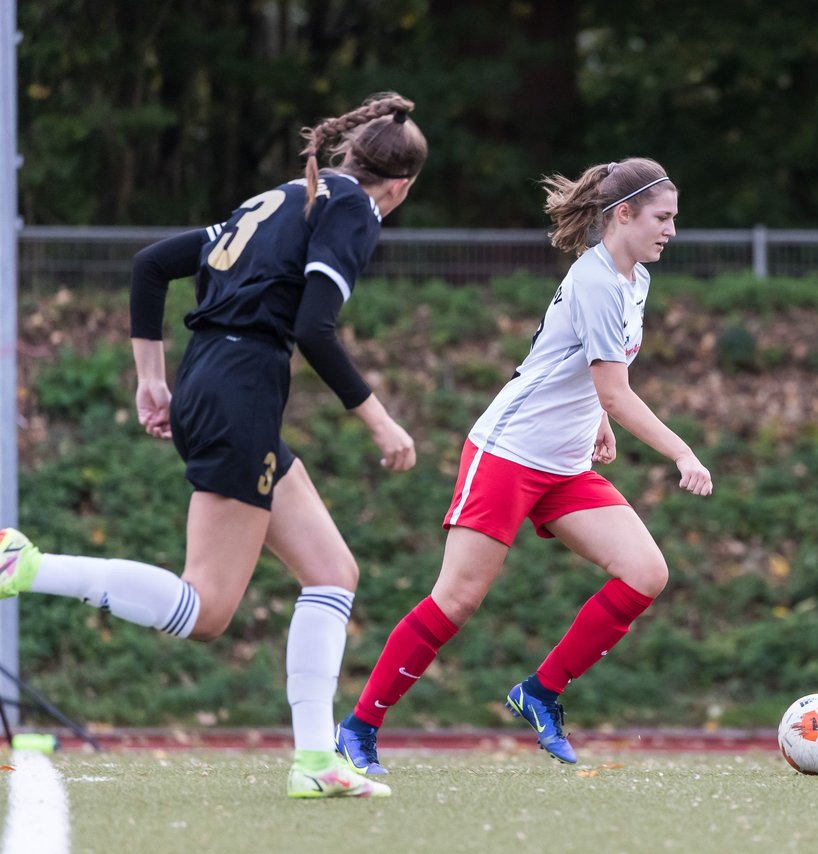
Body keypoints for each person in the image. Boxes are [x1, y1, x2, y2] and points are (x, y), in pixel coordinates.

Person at [0, 92, 427, 798]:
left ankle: (317, 762)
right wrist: (379, 419)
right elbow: (316, 329)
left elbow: (149, 265)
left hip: (212, 377)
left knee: (331, 570)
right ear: (402, 186)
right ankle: (27, 564)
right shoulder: (352, 208)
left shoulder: (281, 196)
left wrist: (151, 380)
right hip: (242, 387)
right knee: (206, 609)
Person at [334, 157, 712, 773]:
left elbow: (569, 361)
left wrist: (596, 422)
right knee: (456, 599)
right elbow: (613, 385)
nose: (671, 230)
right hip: (508, 454)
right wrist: (681, 450)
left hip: (563, 465)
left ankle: (539, 692)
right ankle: (358, 728)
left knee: (645, 573)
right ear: (624, 214)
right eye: (663, 218)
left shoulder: (634, 278)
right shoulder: (596, 280)